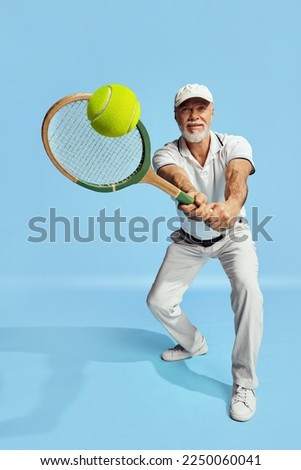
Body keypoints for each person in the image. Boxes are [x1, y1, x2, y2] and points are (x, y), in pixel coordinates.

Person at [146, 84, 263, 422]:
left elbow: (236, 175)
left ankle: (244, 383)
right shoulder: (164, 153)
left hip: (232, 237)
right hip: (189, 240)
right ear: (176, 116)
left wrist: (229, 205)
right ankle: (194, 343)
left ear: (212, 113)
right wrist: (193, 196)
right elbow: (176, 176)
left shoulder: (236, 143)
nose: (194, 116)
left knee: (249, 293)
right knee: (158, 301)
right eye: (186, 109)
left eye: (201, 109)